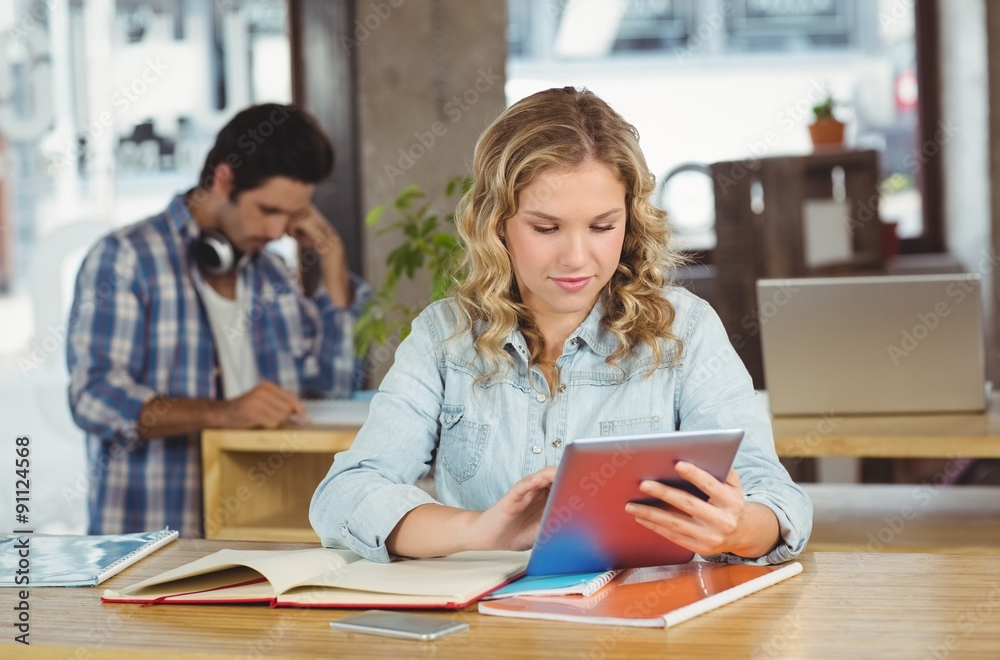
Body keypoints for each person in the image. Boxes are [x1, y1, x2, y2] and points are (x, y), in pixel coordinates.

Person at [309, 87, 811, 564]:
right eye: (546, 228)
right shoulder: (444, 338)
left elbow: (773, 495)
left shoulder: (685, 329)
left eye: (602, 226)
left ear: (631, 221)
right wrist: (477, 531)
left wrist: (739, 528)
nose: (576, 258)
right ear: (496, 221)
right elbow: (345, 495)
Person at [67, 103, 369, 537]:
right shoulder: (127, 258)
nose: (278, 230)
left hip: (262, 539)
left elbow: (334, 389)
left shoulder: (272, 275)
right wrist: (223, 412)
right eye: (268, 210)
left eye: (293, 215)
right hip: (151, 543)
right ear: (224, 180)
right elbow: (92, 396)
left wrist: (333, 261)